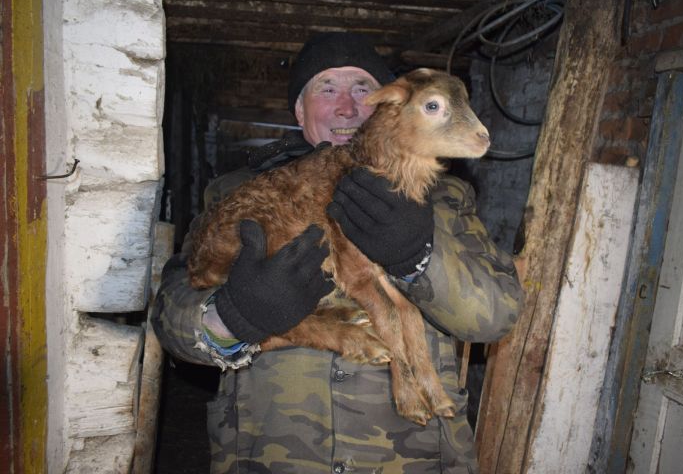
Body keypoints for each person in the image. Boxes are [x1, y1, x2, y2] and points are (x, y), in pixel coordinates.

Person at [151, 32, 524, 474]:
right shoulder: (237, 194)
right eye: (326, 89)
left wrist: (418, 258)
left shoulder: (445, 198)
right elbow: (169, 321)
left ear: (389, 106)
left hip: (412, 459)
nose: (347, 108)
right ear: (299, 111)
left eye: (362, 89)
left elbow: (496, 315)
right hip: (272, 457)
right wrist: (229, 316)